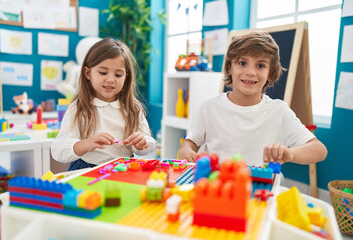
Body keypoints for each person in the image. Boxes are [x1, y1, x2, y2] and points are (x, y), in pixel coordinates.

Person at [179, 31, 327, 166]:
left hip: (260, 190)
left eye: (260, 66)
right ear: (229, 67)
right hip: (218, 187)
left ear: (270, 73)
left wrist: (290, 154)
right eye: (242, 63)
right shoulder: (210, 107)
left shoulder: (279, 110)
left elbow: (319, 150)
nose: (250, 72)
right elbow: (190, 143)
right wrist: (186, 151)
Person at [51, 38, 156, 170]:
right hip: (86, 169)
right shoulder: (79, 108)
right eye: (103, 72)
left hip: (123, 170)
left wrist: (142, 143)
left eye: (118, 75)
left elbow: (149, 142)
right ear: (87, 73)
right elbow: (58, 149)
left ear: (126, 77)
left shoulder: (132, 109)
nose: (110, 79)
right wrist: (86, 144)